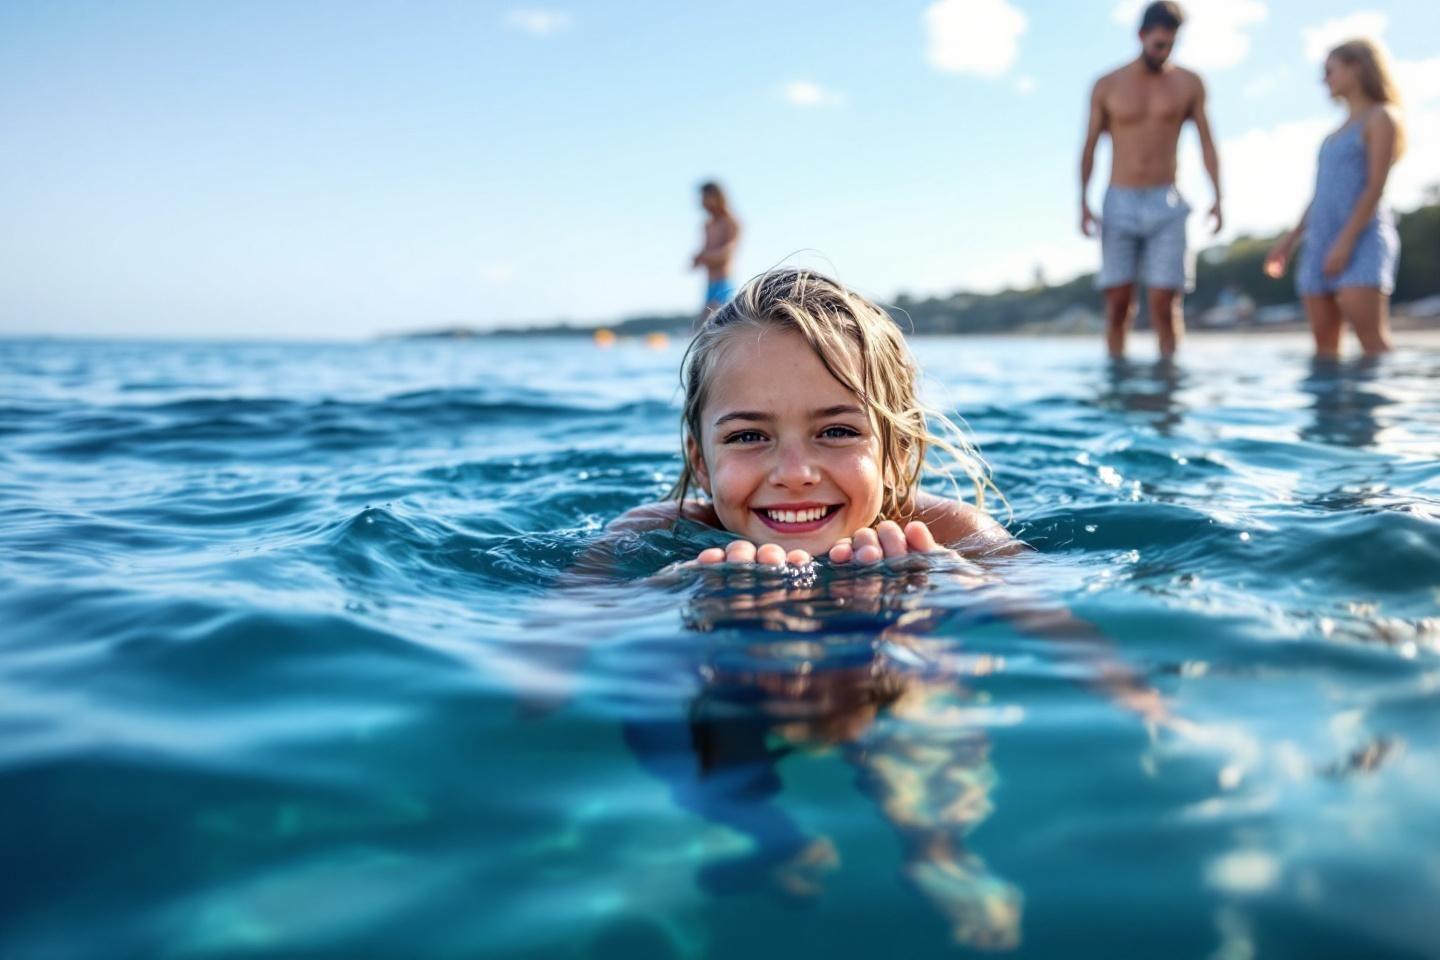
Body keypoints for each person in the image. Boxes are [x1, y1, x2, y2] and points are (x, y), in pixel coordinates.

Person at [609, 267, 1015, 566]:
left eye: (837, 431)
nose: (794, 473)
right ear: (701, 462)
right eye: (748, 436)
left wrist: (949, 601)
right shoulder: (651, 540)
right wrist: (675, 600)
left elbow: (1049, 638)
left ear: (897, 453)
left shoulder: (958, 539)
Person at [1080, 1, 1222, 359]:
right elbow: (1090, 146)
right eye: (1159, 44)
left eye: (1171, 45)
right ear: (1141, 35)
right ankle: (1117, 376)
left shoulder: (1189, 83)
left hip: (1167, 199)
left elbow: (1207, 142)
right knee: (1117, 302)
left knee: (1164, 301)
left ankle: (1168, 379)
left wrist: (1219, 197)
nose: (1164, 52)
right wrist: (1082, 202)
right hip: (1119, 198)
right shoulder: (1107, 84)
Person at [1263, 39, 1405, 358]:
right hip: (1319, 241)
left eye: (1330, 71)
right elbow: (1319, 195)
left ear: (1357, 67)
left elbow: (1375, 187)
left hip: (1361, 238)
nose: (1324, 79)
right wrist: (1289, 240)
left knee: (1373, 344)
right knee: (1325, 350)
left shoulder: (1381, 117)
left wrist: (1346, 242)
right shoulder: (1332, 135)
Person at [692, 181, 741, 324]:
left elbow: (727, 253)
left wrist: (705, 257)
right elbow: (706, 248)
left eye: (705, 198)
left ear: (717, 197)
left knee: (717, 324)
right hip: (710, 283)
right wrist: (698, 258)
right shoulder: (707, 225)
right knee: (704, 326)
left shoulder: (730, 221)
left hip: (724, 282)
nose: (702, 203)